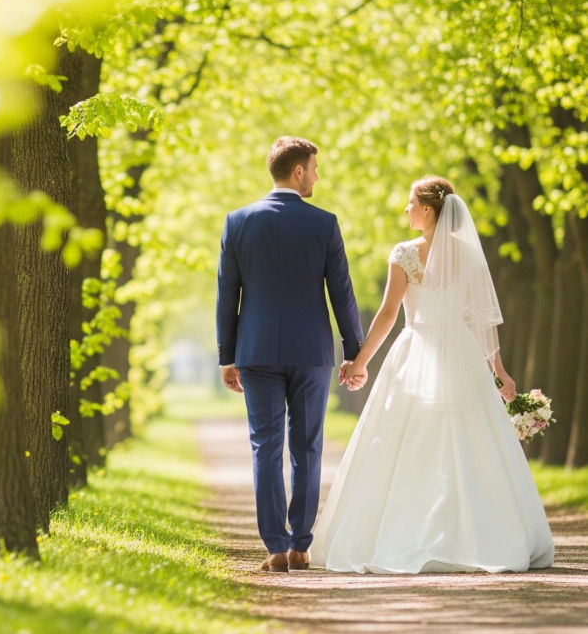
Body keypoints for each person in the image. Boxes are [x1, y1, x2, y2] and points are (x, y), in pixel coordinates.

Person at [310, 176, 554, 573]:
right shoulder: (468, 257)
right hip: (462, 353)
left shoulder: (405, 254)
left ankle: (408, 533)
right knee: (469, 440)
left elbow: (389, 315)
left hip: (416, 350)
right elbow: (480, 323)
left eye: (410, 203)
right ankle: (480, 535)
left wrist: (361, 362)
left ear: (427, 210)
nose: (406, 209)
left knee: (405, 439)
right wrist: (499, 372)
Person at [216, 136, 363, 573]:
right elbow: (343, 294)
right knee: (307, 447)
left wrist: (227, 355)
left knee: (265, 447)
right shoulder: (323, 223)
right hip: (310, 351)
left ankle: (276, 548)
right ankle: (301, 544)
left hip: (256, 350)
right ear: (298, 171)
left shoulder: (238, 221)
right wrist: (354, 353)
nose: (317, 176)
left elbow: (228, 296)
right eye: (314, 168)